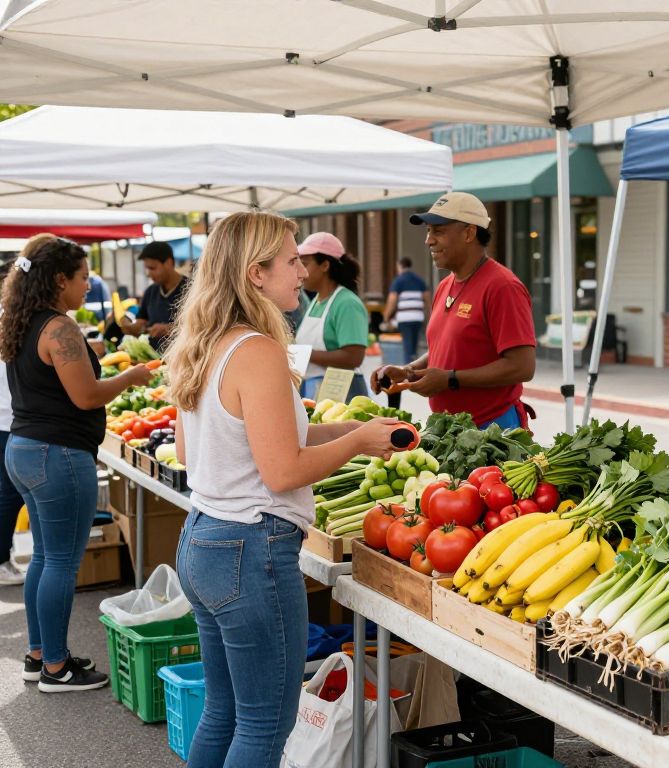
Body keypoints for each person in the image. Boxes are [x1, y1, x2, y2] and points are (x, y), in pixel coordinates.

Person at [165, 212, 397, 768]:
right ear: (255, 275)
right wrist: (357, 439)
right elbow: (284, 470)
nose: (302, 270)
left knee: (223, 712)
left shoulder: (206, 343)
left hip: (203, 540)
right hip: (251, 554)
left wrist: (352, 434)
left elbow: (194, 451)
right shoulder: (259, 351)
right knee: (267, 723)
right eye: (292, 260)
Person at [0, 234, 154, 692]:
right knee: (61, 564)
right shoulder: (60, 329)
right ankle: (56, 667)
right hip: (58, 456)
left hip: (26, 449)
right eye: (84, 277)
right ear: (59, 279)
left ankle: (38, 654)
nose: (89, 286)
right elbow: (85, 395)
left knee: (46, 560)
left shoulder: (21, 321)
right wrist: (129, 376)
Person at [370, 192, 537, 429]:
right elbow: (446, 348)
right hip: (451, 427)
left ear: (469, 233)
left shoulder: (503, 286)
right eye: (428, 231)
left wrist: (450, 380)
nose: (428, 240)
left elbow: (522, 366)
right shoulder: (445, 285)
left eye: (438, 231)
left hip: (493, 427)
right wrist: (408, 371)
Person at [293, 232, 369, 401]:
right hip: (315, 390)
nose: (300, 272)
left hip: (343, 395)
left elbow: (353, 357)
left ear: (325, 265)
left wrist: (303, 353)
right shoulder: (317, 301)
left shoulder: (347, 303)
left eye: (305, 264)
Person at [0, 258, 26, 587]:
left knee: (8, 491)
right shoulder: (12, 319)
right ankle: (1, 558)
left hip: (9, 415)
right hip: (10, 416)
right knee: (9, 492)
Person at [120, 240, 189, 353]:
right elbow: (140, 323)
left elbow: (202, 327)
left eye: (152, 268)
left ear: (169, 263)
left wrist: (168, 329)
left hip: (182, 358)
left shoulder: (191, 290)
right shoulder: (150, 292)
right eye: (147, 268)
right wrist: (130, 327)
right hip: (153, 359)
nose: (148, 273)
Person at [384, 257, 431, 364]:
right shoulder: (420, 280)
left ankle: (409, 369)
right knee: (414, 345)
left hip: (405, 319)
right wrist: (430, 317)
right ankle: (414, 365)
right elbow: (428, 300)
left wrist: (386, 317)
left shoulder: (398, 281)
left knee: (407, 345)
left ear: (400, 266)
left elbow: (392, 300)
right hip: (418, 318)